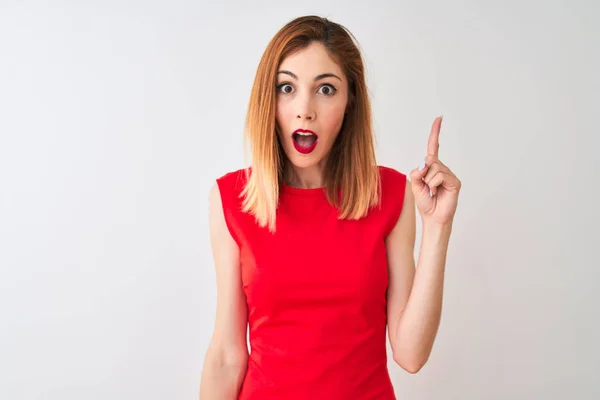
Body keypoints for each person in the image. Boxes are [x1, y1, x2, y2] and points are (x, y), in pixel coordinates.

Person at [199, 15, 461, 400]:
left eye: (325, 89)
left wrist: (437, 229)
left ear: (349, 100)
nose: (305, 109)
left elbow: (410, 354)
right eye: (286, 87)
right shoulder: (232, 199)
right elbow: (227, 354)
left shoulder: (390, 193)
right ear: (267, 100)